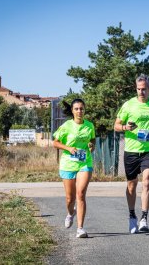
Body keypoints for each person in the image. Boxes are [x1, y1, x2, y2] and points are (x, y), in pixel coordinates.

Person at [114, 74, 149, 233]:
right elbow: (116, 125)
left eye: (144, 89)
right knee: (131, 185)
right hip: (131, 151)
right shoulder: (128, 105)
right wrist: (125, 128)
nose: (141, 92)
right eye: (138, 89)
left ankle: (144, 218)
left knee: (147, 181)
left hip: (148, 150)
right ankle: (132, 215)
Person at [53, 99, 96, 238]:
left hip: (84, 163)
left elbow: (92, 139)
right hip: (68, 164)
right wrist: (68, 148)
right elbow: (55, 142)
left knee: (81, 194)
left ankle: (80, 228)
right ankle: (71, 213)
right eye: (76, 109)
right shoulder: (66, 126)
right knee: (69, 198)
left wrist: (91, 145)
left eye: (81, 108)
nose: (79, 111)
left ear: (85, 110)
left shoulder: (90, 125)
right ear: (72, 111)